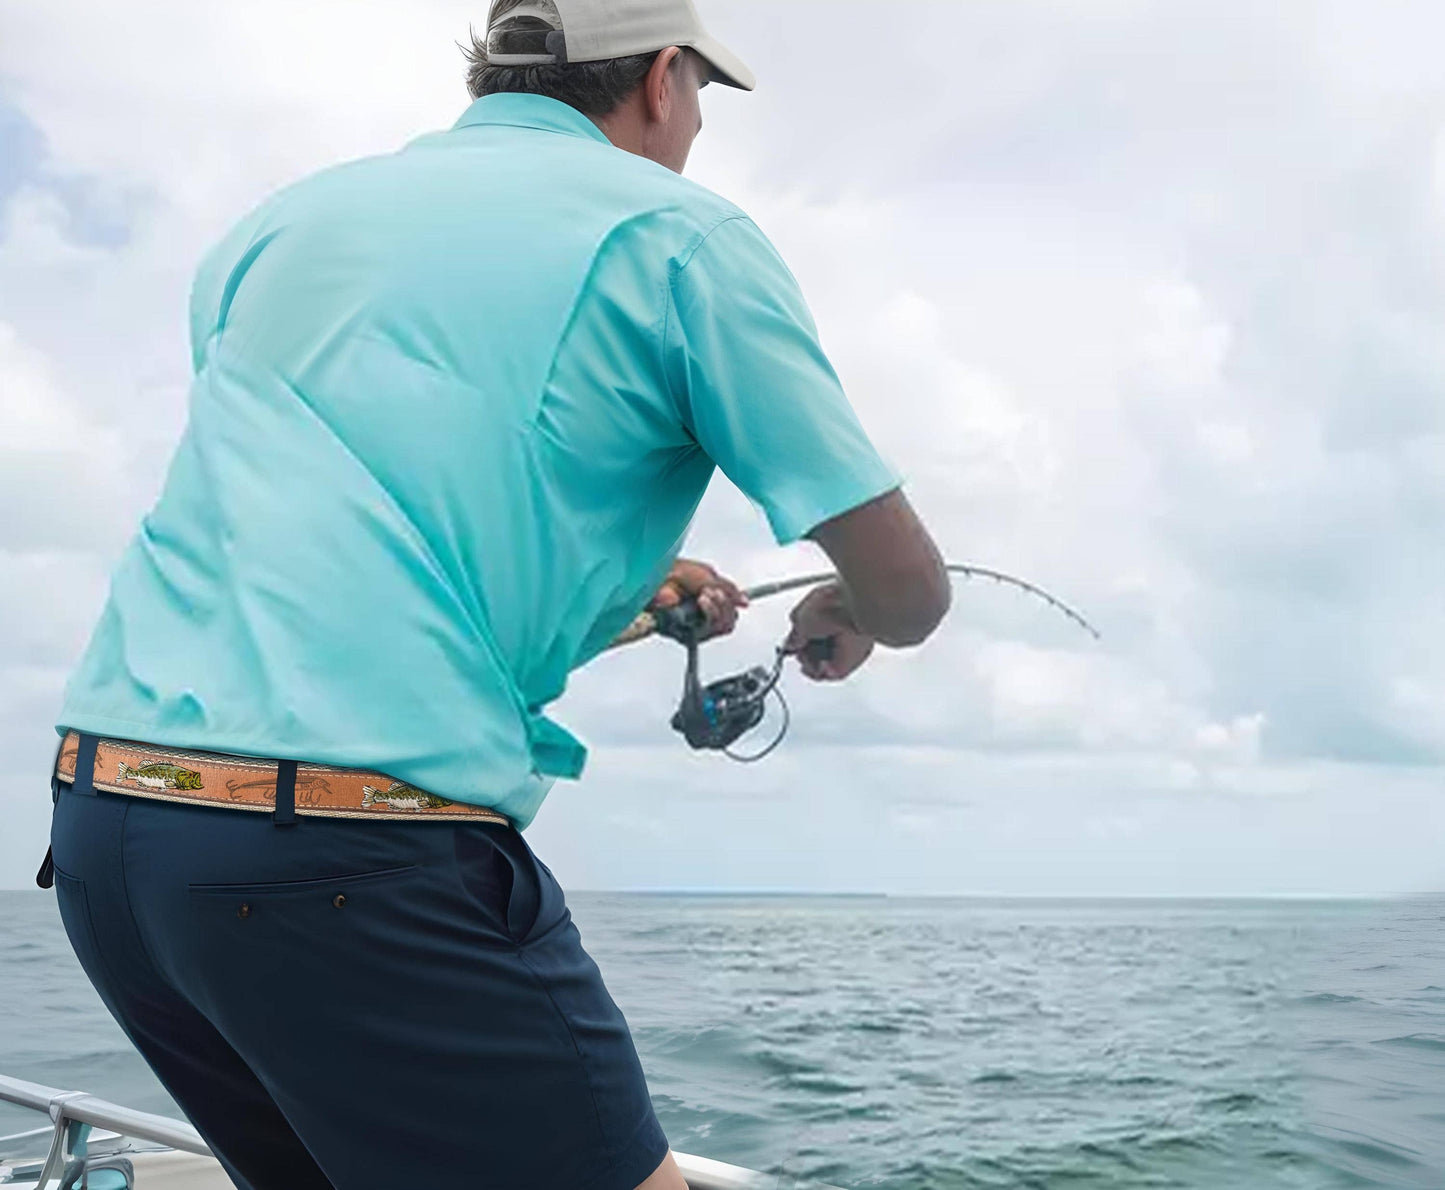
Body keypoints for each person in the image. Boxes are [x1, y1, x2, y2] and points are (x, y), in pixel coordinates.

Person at [43, 0, 951, 1187]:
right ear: (665, 79)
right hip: (340, 851)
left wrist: (632, 588)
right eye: (699, 103)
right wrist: (851, 609)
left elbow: (364, 523)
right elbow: (908, 585)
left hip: (112, 835)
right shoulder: (681, 236)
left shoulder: (277, 225)